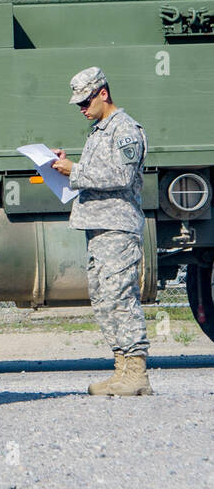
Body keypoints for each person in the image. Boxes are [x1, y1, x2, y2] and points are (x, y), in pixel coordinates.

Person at [51, 67, 151, 395]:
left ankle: (136, 374)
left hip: (117, 228)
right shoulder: (99, 130)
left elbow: (120, 176)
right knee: (105, 299)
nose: (81, 107)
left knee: (121, 297)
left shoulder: (124, 129)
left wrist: (75, 170)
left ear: (103, 93)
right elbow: (99, 172)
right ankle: (121, 371)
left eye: (85, 100)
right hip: (99, 228)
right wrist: (65, 166)